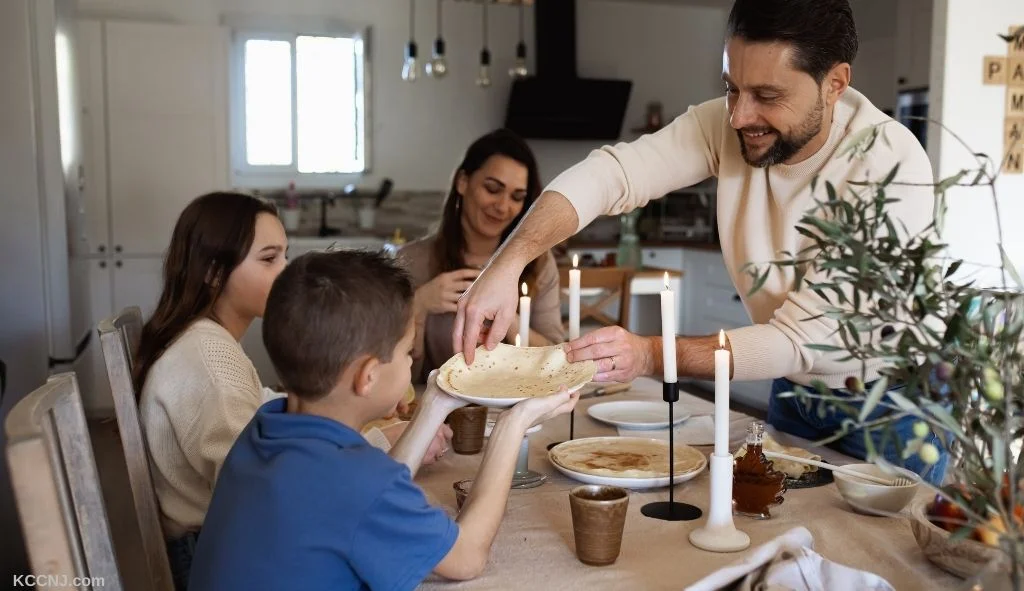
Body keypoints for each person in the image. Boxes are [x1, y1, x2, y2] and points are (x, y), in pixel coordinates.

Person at [451, 0, 948, 485]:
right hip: (794, 393)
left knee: (886, 560)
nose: (738, 116)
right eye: (732, 88)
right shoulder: (728, 123)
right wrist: (508, 261)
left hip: (891, 408)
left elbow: (798, 341)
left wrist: (652, 354)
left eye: (767, 96)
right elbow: (614, 174)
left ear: (835, 84)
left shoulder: (889, 165)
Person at [188, 250, 579, 590]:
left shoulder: (264, 429)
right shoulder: (358, 483)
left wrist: (436, 403)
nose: (411, 362)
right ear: (368, 376)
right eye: (408, 353)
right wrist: (515, 423)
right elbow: (466, 557)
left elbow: (367, 491)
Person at [134, 193, 449, 589]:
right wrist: (376, 445)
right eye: (269, 259)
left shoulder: (210, 342)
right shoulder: (207, 356)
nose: (285, 271)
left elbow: (267, 410)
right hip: (206, 552)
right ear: (215, 273)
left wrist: (379, 436)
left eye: (285, 256)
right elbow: (269, 480)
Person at [397, 129, 564, 383]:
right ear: (463, 182)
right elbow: (392, 377)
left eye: (517, 197)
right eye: (492, 189)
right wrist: (417, 305)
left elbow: (556, 358)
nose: (503, 206)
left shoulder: (538, 262)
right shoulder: (413, 261)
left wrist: (509, 320)